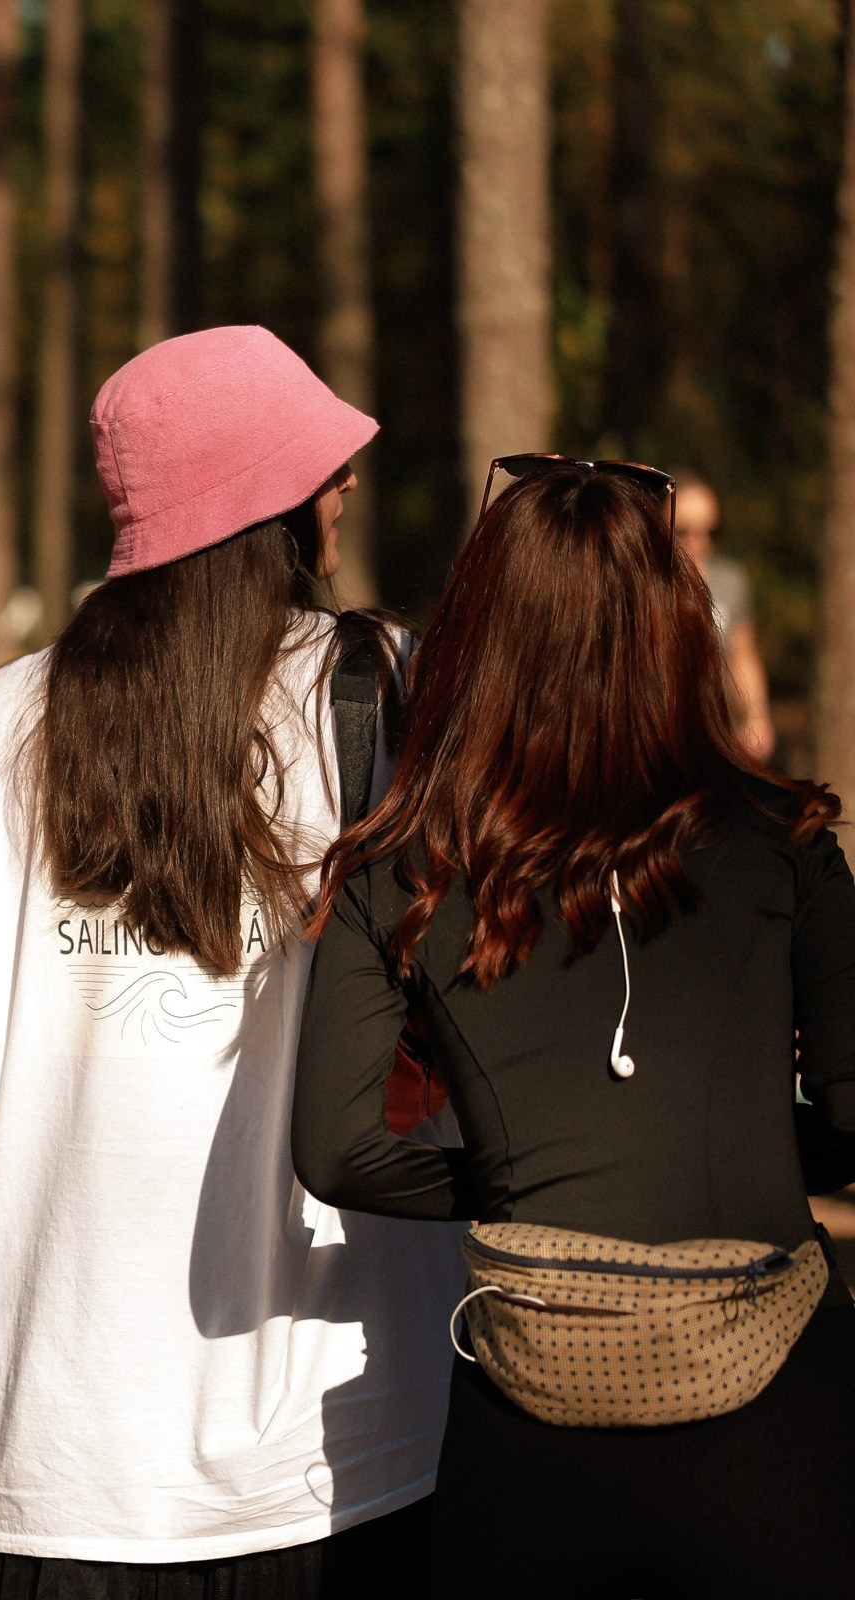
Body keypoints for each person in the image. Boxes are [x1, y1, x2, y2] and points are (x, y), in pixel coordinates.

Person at [0, 326, 463, 1600]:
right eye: (322, 467)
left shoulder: (4, 723)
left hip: (70, 1461)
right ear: (268, 501)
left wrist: (5, 1348)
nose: (345, 488)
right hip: (357, 1436)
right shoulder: (393, 691)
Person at [291, 460, 855, 1598]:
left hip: (528, 1446)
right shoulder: (785, 838)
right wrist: (751, 1143)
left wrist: (513, 1180)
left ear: (478, 635)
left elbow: (336, 1149)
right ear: (678, 626)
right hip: (783, 1428)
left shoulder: (398, 869)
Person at [672, 474, 775, 760]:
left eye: (710, 531)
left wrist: (756, 717)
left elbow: (742, 654)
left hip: (718, 738)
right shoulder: (643, 586)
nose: (699, 542)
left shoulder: (729, 581)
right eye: (683, 530)